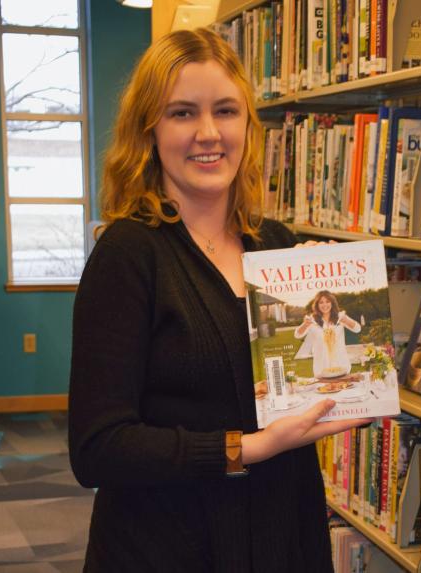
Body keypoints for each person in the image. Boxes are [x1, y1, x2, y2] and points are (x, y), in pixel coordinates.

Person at [68, 28, 367, 572]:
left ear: (248, 127)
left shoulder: (277, 245)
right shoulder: (128, 254)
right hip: (167, 547)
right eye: (183, 113)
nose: (209, 133)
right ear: (149, 130)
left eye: (225, 111)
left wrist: (346, 298)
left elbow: (326, 389)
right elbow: (98, 448)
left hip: (283, 535)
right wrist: (248, 448)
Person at [294, 290, 362, 378]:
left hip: (340, 362)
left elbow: (357, 329)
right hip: (321, 366)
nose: (324, 305)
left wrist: (346, 320)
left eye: (327, 301)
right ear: (317, 305)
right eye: (321, 302)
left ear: (332, 303)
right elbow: (297, 334)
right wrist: (305, 324)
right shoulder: (312, 319)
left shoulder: (340, 317)